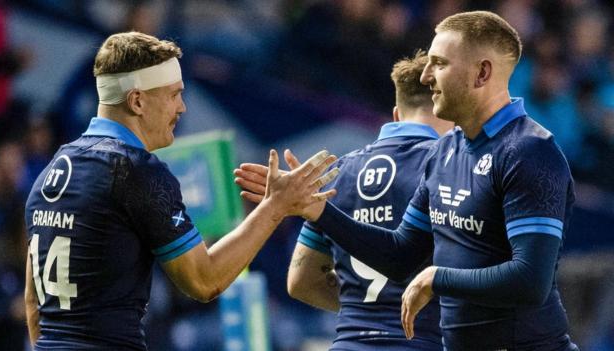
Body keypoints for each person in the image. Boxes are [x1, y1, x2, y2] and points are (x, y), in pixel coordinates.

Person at [237, 11, 578, 350]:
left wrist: (435, 278)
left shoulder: (530, 151)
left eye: (440, 63)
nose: (428, 76)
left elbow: (531, 281)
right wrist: (318, 211)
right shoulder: (444, 154)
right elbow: (400, 255)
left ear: (482, 73)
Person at [23, 31, 339, 350]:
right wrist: (276, 205)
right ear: (137, 101)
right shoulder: (137, 171)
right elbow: (205, 281)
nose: (183, 108)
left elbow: (33, 302)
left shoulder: (52, 170)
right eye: (174, 95)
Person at [239, 51, 452, 350]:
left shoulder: (337, 174)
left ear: (395, 114)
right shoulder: (453, 169)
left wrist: (366, 312)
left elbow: (300, 281)